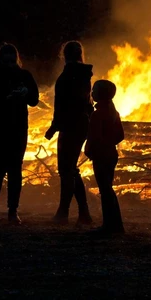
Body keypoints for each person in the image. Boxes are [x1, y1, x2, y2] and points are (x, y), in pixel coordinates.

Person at [0, 43, 39, 224]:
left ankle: (13, 211)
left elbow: (34, 100)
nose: (9, 64)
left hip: (19, 128)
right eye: (6, 61)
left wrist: (26, 92)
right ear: (0, 60)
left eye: (12, 60)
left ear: (16, 59)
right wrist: (6, 99)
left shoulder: (24, 75)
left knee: (15, 169)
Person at [45, 40, 93, 225]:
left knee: (66, 170)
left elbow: (62, 105)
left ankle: (64, 212)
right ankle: (83, 213)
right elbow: (85, 104)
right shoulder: (84, 74)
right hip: (80, 125)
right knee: (71, 169)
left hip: (69, 126)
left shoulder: (68, 75)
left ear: (64, 55)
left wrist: (55, 126)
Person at [84, 80, 125, 234]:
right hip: (111, 154)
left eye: (94, 90)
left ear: (99, 94)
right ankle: (115, 225)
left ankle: (110, 226)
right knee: (108, 189)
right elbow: (120, 135)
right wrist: (109, 144)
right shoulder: (114, 112)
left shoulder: (97, 114)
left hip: (101, 156)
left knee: (105, 190)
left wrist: (92, 150)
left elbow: (93, 137)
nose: (92, 92)